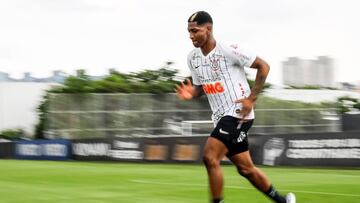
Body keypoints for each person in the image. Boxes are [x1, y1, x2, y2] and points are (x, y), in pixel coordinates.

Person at [175, 11, 296, 203]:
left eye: (195, 31)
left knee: (210, 157)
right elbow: (201, 87)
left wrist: (251, 99)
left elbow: (263, 66)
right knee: (246, 169)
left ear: (208, 29)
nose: (191, 36)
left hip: (239, 114)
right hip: (220, 118)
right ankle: (284, 201)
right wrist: (193, 93)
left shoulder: (229, 50)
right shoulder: (193, 58)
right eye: (189, 32)